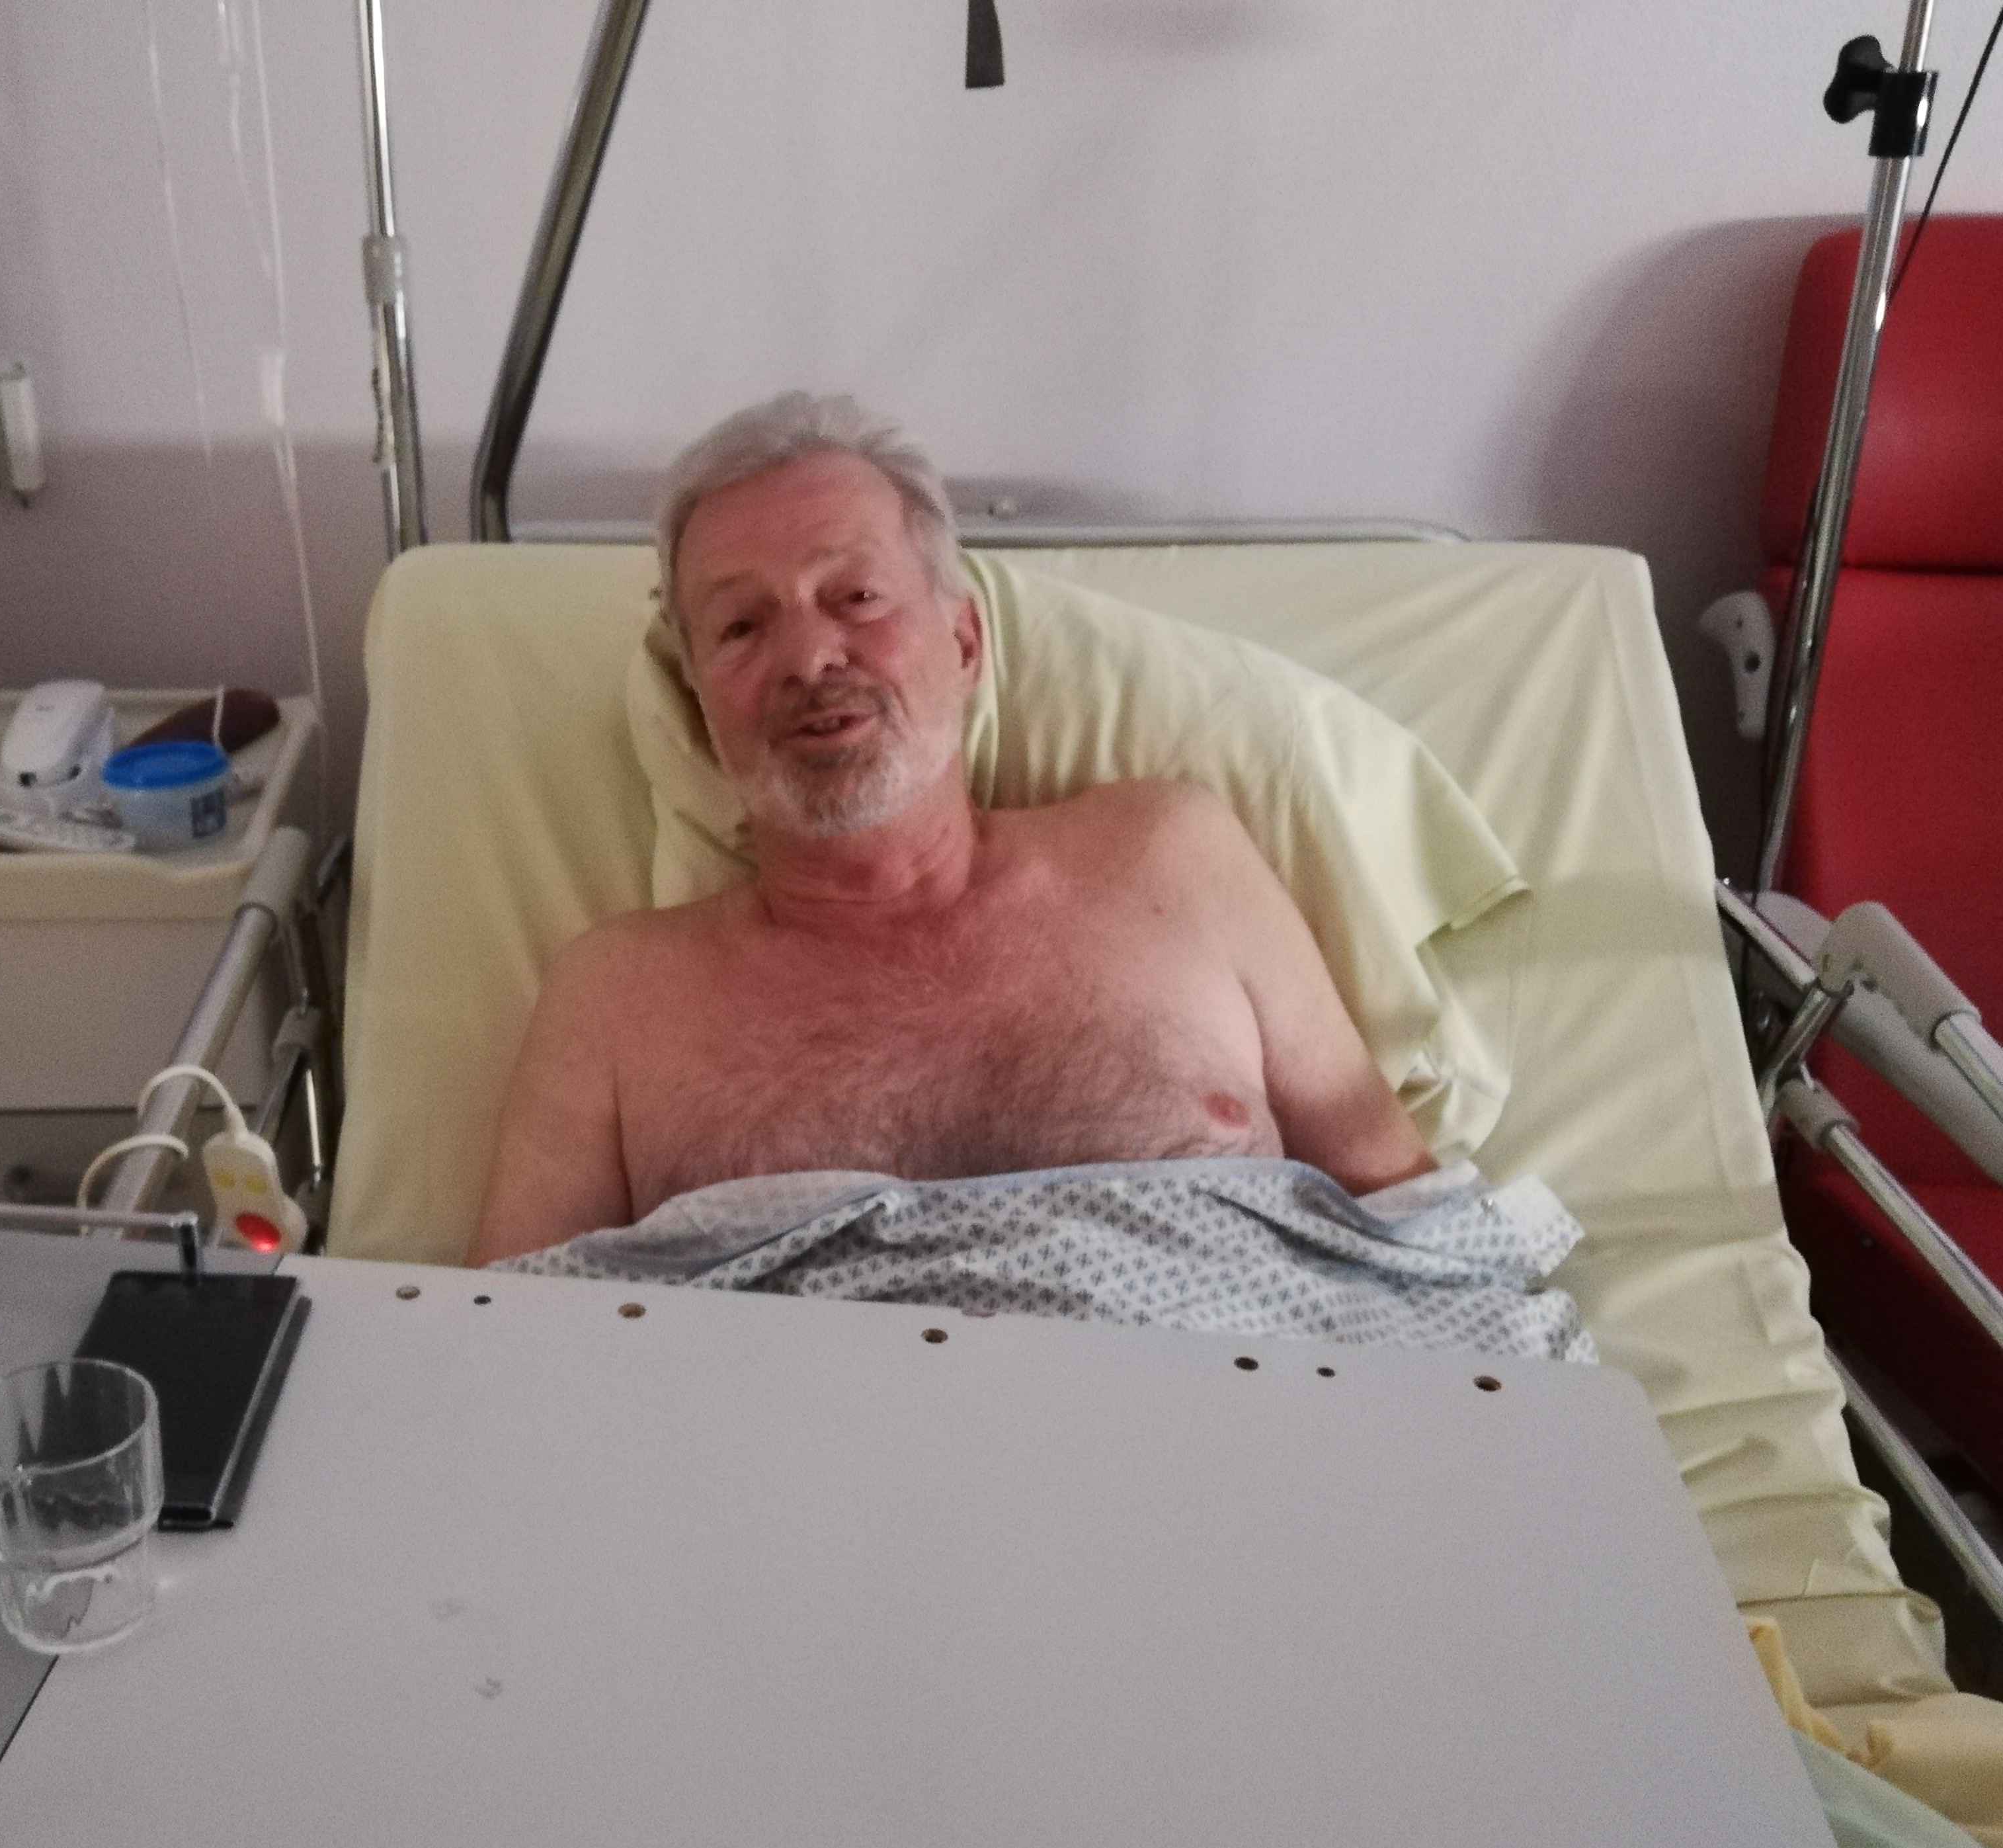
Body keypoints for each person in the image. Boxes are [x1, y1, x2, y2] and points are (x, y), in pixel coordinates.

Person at [470, 392, 1437, 1265]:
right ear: (699, 704)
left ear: (966, 643)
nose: (808, 657)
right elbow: (494, 1347)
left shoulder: (1174, 858)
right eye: (741, 629)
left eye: (856, 598)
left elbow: (1417, 1230)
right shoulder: (617, 1000)